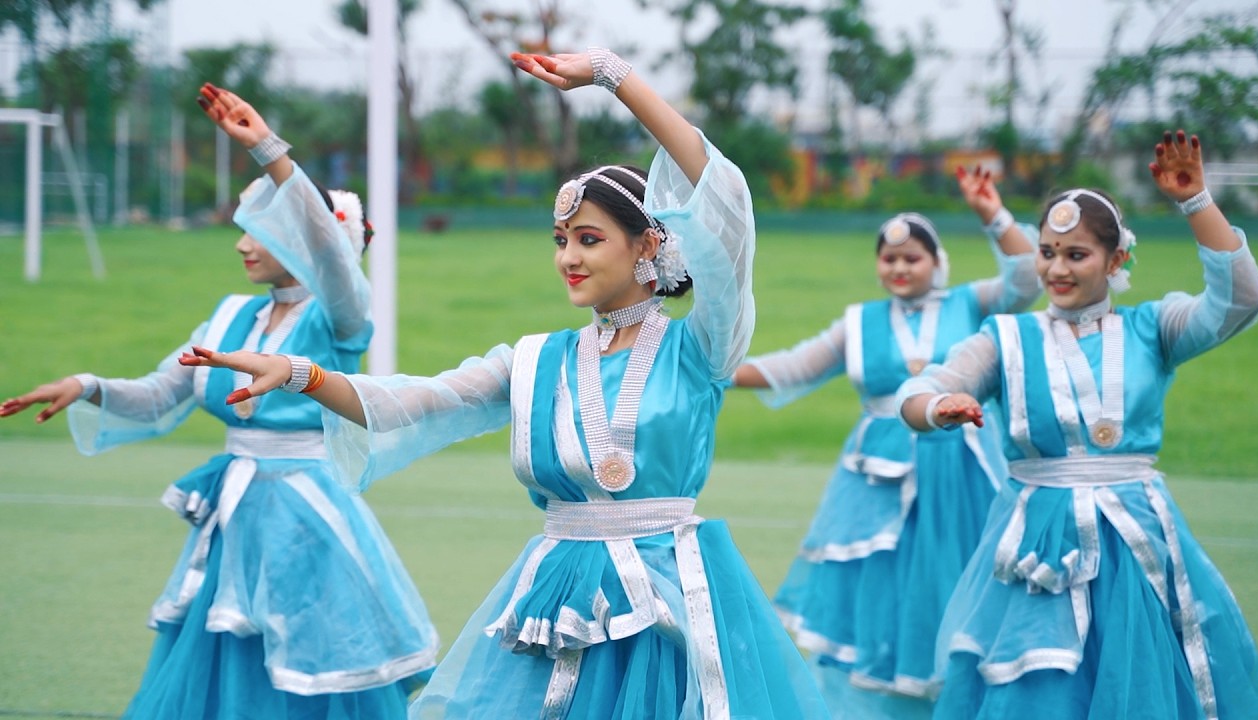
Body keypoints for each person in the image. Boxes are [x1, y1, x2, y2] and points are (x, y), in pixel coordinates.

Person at [176, 49, 829, 719]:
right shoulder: (537, 360)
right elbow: (413, 400)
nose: (568, 258)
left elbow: (724, 203)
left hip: (669, 599)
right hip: (560, 591)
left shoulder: (701, 348)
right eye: (560, 240)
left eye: (589, 239)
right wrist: (301, 374)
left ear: (646, 245)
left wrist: (613, 76)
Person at [1, 84, 439, 718]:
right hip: (237, 517)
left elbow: (328, 251)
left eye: (260, 233)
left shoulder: (340, 317)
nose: (242, 245)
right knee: (229, 660)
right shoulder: (232, 315)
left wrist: (269, 151)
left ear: (302, 239)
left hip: (308, 522)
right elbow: (160, 395)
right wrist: (88, 386)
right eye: (243, 232)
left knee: (307, 665)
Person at [897, 130, 1258, 719]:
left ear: (1116, 260)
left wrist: (1196, 201)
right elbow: (918, 391)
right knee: (1040, 685)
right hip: (1039, 547)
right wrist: (936, 409)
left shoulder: (1153, 329)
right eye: (1047, 252)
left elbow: (1241, 300)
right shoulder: (1008, 338)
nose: (1057, 268)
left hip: (1136, 543)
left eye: (1076, 255)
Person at [732, 169, 1040, 718]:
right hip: (878, 477)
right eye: (889, 258)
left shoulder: (972, 304)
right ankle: (890, 695)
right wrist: (715, 371)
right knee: (884, 577)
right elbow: (797, 365)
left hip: (961, 470)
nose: (899, 267)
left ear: (936, 262)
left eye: (912, 258)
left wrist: (992, 214)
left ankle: (961, 683)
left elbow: (1027, 276)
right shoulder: (861, 322)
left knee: (958, 568)